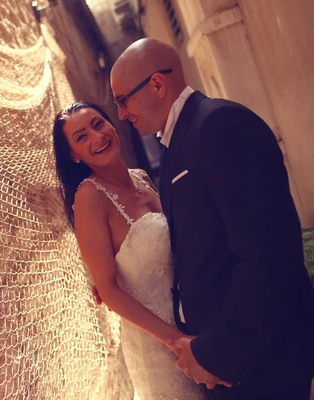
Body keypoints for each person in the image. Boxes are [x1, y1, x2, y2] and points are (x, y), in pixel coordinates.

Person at [109, 38, 314, 399]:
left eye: (123, 100)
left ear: (157, 84)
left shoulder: (220, 124)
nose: (122, 114)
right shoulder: (175, 145)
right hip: (229, 364)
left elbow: (268, 258)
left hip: (262, 360)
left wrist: (215, 354)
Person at [52, 101, 210, 399]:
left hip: (197, 322)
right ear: (73, 155)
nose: (97, 137)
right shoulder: (89, 198)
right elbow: (109, 291)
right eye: (81, 137)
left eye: (98, 124)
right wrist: (178, 342)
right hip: (160, 344)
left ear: (112, 124)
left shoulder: (142, 177)